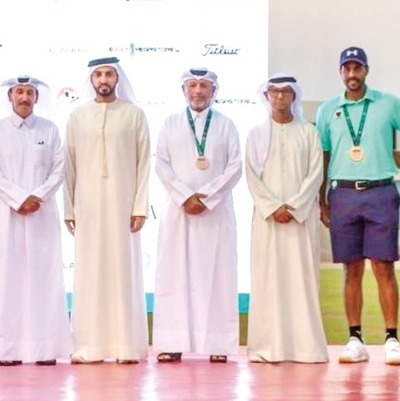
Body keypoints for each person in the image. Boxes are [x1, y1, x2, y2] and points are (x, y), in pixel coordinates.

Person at [315, 46, 400, 365]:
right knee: (351, 269)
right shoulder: (328, 110)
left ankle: (392, 338)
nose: (353, 74)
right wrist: (322, 199)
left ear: (366, 71)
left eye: (358, 68)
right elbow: (324, 156)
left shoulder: (389, 104)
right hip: (342, 193)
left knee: (383, 266)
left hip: (381, 191)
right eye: (347, 69)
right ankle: (355, 338)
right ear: (341, 72)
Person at [64, 56, 151, 364]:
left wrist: (140, 205)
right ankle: (89, 345)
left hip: (123, 205)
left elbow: (144, 163)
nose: (103, 79)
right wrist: (70, 209)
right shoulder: (77, 116)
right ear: (91, 79)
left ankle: (126, 345)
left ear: (117, 78)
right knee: (89, 272)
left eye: (109, 74)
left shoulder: (134, 115)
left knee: (122, 271)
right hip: (87, 206)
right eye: (98, 74)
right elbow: (69, 165)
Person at [152, 68, 243, 364]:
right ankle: (172, 342)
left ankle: (217, 343)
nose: (198, 91)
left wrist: (206, 197)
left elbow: (234, 167)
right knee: (174, 276)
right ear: (184, 90)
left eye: (204, 86)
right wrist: (184, 196)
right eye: (192, 85)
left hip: (214, 214)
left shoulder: (227, 125)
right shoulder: (170, 124)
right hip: (179, 212)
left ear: (214, 91)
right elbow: (161, 165)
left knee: (217, 275)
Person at [0, 75, 73, 366]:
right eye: (19, 92)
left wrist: (38, 197)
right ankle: (7, 351)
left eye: (29, 93)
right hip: (8, 215)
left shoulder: (50, 130)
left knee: (44, 280)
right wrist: (19, 197)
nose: (24, 98)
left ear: (36, 97)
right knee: (8, 281)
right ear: (10, 96)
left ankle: (45, 349)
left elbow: (59, 170)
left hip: (42, 215)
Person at [245, 73, 328, 364]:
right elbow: (252, 177)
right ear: (267, 96)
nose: (279, 97)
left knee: (301, 281)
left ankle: (306, 348)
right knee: (268, 281)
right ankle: (267, 347)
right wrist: (273, 207)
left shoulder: (308, 133)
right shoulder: (256, 134)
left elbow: (315, 174)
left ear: (294, 96)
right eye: (274, 92)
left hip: (299, 222)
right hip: (267, 223)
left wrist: (293, 207)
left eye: (285, 92)